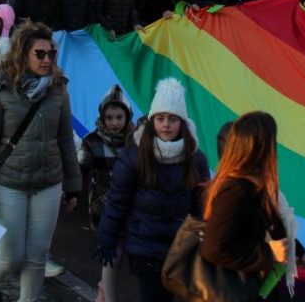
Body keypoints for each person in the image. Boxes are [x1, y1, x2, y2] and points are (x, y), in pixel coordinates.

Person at [0, 21, 81, 302]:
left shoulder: (58, 87)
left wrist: (73, 184)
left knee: (37, 256)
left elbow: (66, 139)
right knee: (11, 255)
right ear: (23, 53)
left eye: (51, 54)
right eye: (40, 54)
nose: (47, 60)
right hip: (10, 181)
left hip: (48, 182)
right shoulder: (1, 85)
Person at [97, 77, 209, 302]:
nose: (166, 124)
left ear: (182, 122)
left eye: (172, 119)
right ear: (152, 119)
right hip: (144, 247)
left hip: (180, 247)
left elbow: (202, 204)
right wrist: (106, 240)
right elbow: (117, 202)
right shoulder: (135, 155)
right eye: (160, 118)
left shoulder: (195, 158)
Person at [200, 111, 290, 299]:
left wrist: (299, 253)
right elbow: (213, 248)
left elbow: (270, 220)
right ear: (257, 149)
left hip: (252, 285)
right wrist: (269, 252)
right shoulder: (236, 190)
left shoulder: (253, 184)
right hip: (235, 289)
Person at [78, 85, 133, 302]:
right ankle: (107, 293)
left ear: (127, 116)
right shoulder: (92, 141)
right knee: (112, 251)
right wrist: (71, 192)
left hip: (128, 204)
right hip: (102, 206)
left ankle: (105, 287)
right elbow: (80, 167)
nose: (114, 122)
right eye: (109, 117)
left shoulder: (135, 142)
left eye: (119, 117)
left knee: (121, 253)